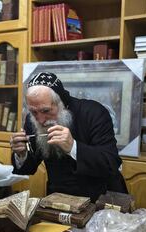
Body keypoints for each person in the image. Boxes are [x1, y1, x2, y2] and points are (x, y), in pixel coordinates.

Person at [10, 72, 127, 202]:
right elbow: (29, 168)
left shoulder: (94, 112)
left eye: (46, 111)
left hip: (101, 198)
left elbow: (110, 163)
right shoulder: (33, 120)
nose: (41, 120)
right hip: (59, 198)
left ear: (62, 103)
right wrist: (21, 154)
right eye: (34, 112)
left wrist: (73, 147)